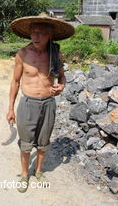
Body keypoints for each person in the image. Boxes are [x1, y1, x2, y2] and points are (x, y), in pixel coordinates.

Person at [6, 13, 74, 193]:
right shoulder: (22, 54)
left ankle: (38, 171)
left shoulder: (55, 54)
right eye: (34, 32)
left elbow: (62, 76)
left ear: (50, 35)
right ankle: (24, 174)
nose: (36, 36)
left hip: (48, 104)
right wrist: (10, 109)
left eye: (41, 33)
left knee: (43, 141)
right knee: (26, 142)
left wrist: (61, 87)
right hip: (28, 104)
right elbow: (15, 81)